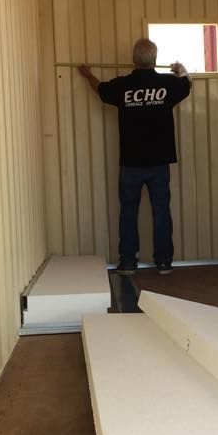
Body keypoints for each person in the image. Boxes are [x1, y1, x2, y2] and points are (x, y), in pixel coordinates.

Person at [79, 39, 191, 276]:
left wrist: (87, 73)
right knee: (161, 210)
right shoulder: (168, 84)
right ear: (155, 59)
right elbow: (187, 84)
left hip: (130, 163)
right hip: (159, 162)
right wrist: (180, 68)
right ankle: (164, 262)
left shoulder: (122, 86)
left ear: (133, 59)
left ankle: (128, 262)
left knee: (128, 211)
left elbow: (100, 89)